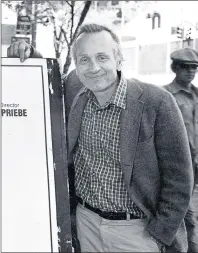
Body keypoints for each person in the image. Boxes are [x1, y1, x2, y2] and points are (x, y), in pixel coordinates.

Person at [7, 24, 194, 253]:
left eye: (102, 57)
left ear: (118, 59)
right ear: (77, 65)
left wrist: (159, 234)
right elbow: (47, 80)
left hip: (137, 232)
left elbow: (180, 178)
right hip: (87, 226)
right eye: (84, 59)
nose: (94, 67)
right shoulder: (75, 91)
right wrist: (27, 54)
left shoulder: (157, 102)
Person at [164, 47, 198, 253]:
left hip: (196, 164)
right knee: (184, 214)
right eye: (186, 67)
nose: (191, 71)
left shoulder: (196, 95)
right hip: (176, 166)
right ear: (175, 68)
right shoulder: (165, 95)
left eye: (195, 67)